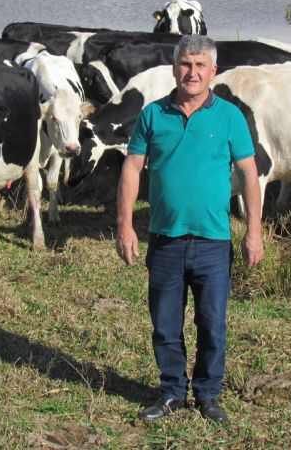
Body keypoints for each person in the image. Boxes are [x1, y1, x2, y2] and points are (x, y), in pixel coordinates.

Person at [116, 35, 263, 424]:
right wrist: (125, 224)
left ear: (213, 71)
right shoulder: (152, 114)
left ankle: (208, 394)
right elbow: (132, 168)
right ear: (174, 68)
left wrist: (254, 231)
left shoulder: (230, 116)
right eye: (185, 64)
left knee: (212, 323)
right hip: (165, 239)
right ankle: (171, 392)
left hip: (213, 240)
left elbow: (249, 174)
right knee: (165, 323)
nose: (192, 72)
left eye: (200, 65)